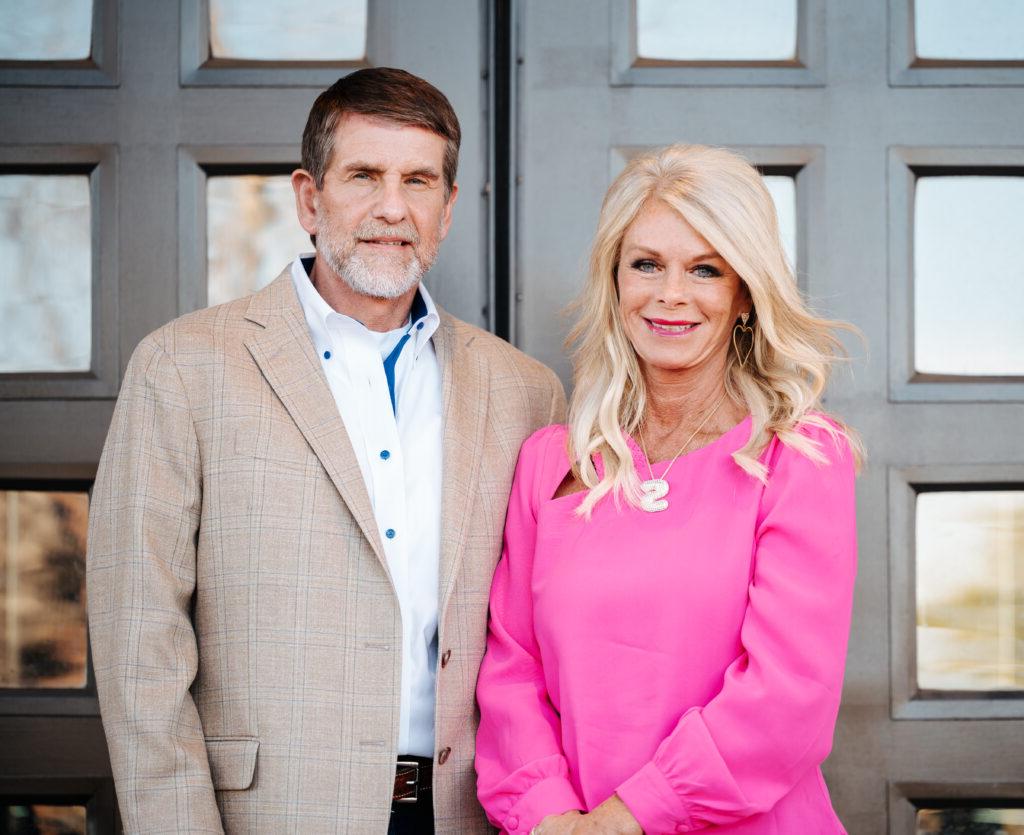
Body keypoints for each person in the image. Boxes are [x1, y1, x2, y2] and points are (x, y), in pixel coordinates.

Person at [87, 67, 565, 834]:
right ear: (310, 198)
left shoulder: (526, 391)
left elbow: (548, 637)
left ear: (446, 209)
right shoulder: (183, 366)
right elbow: (139, 641)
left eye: (418, 180)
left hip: (468, 813)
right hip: (270, 813)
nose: (391, 207)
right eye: (364, 175)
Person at [474, 144, 861, 834]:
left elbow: (787, 698)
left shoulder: (799, 457)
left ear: (743, 291)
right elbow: (510, 671)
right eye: (646, 263)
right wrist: (551, 814)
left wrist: (626, 818)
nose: (670, 294)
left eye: (705, 269)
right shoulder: (548, 463)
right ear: (615, 280)